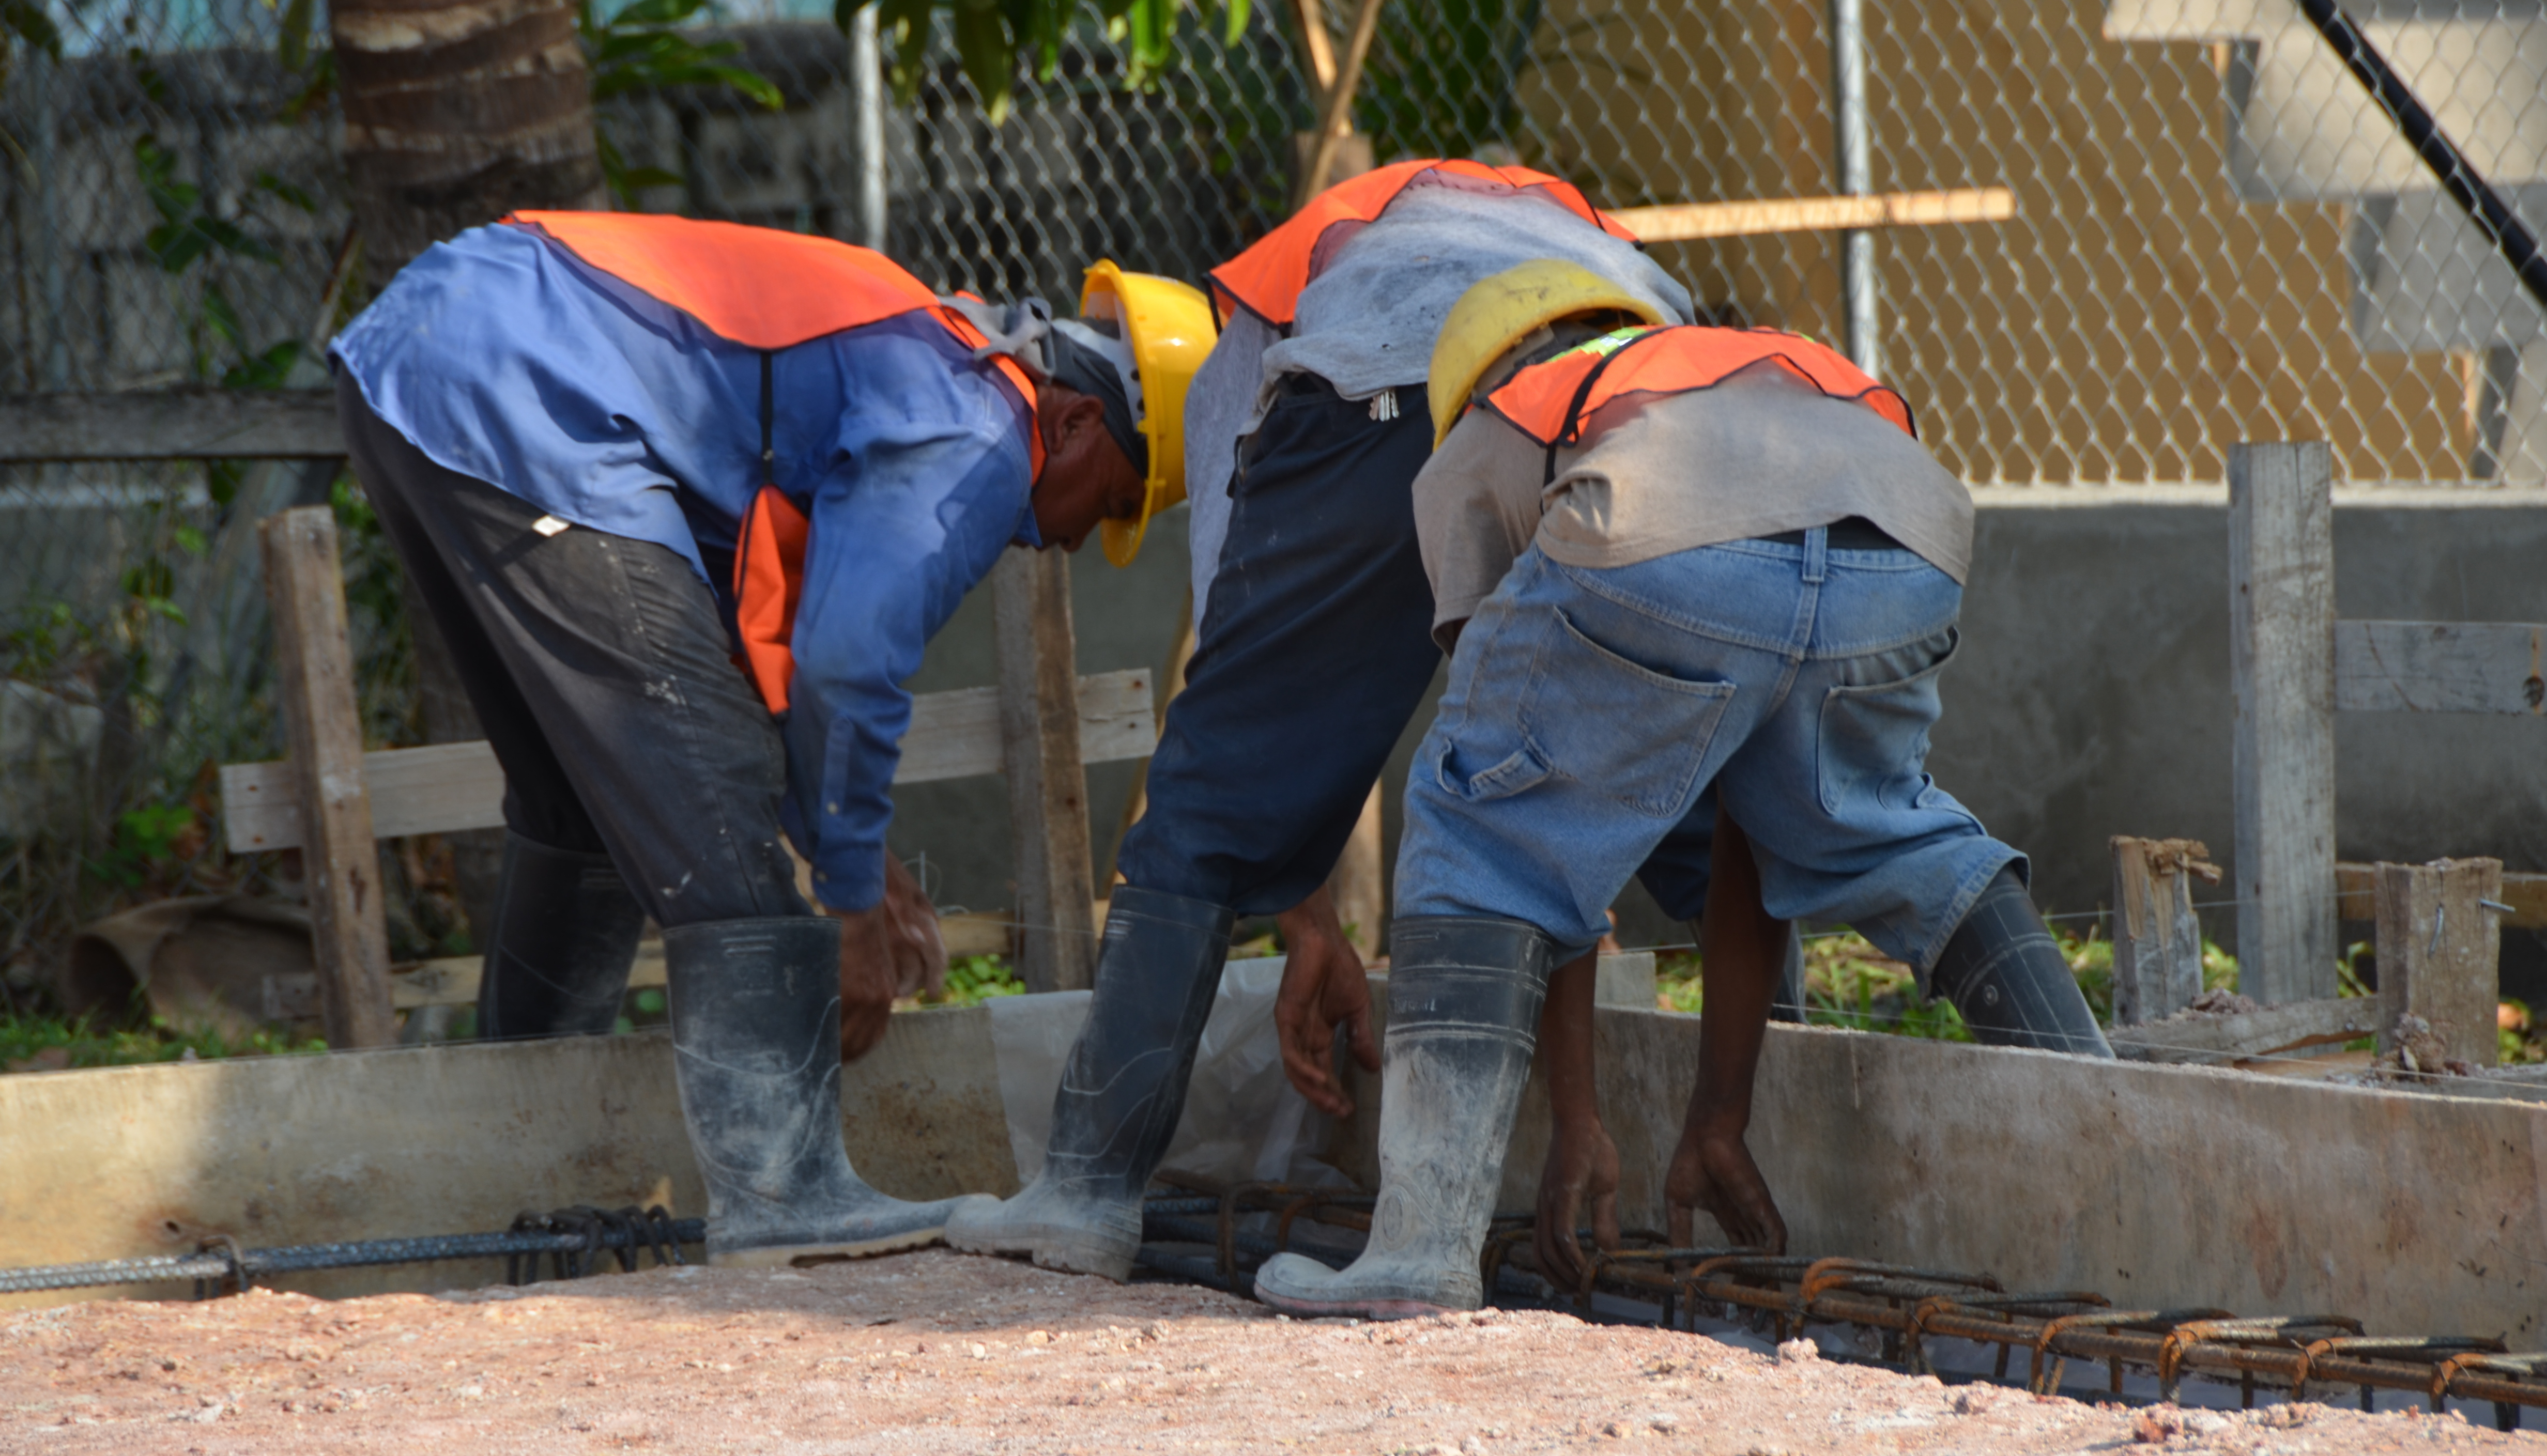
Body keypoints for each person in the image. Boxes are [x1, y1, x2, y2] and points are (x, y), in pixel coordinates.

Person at [327, 211, 1212, 1266]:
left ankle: (524, 1146)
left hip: (431, 354)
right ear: (1073, 423)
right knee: (719, 813)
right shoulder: (977, 426)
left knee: (588, 803)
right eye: (1109, 499)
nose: (1065, 538)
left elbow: (770, 646)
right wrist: (845, 912)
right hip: (531, 387)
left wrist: (861, 858)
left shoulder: (924, 363)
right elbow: (847, 664)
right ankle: (782, 1190)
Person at [1251, 260, 2112, 1318]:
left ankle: (1419, 1252)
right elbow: (1755, 827)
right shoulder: (1751, 364)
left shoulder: (1500, 417)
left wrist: (1578, 1119)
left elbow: (1529, 816)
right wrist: (1716, 1111)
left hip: (1655, 538)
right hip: (1903, 543)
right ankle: (2119, 1160)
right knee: (1894, 839)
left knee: (1480, 824)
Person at [947, 159, 1700, 1282]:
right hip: (1642, 401)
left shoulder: (1240, 340)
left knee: (1201, 803)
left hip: (1385, 403)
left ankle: (1087, 1190)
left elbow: (1240, 666)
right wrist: (1311, 926)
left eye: (1135, 495)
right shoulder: (1546, 218)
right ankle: (1782, 1131)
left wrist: (1287, 894)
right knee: (1684, 785)